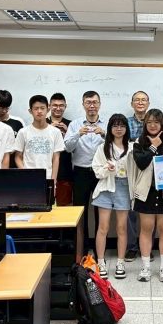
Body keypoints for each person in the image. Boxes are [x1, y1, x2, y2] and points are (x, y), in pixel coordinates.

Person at [129, 109, 163, 282]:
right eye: (149, 122)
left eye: (156, 122)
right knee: (146, 229)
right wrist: (153, 146)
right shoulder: (138, 142)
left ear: (162, 124)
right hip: (146, 193)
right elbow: (141, 163)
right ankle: (145, 268)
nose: (152, 125)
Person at [91, 114, 132, 280]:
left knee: (122, 228)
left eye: (122, 126)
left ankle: (120, 262)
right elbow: (96, 170)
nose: (119, 129)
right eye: (115, 126)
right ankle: (101, 262)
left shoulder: (132, 147)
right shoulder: (103, 147)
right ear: (110, 129)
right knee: (103, 227)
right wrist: (106, 169)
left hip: (124, 187)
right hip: (106, 187)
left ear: (126, 129)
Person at [64, 91, 105, 246]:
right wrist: (77, 134)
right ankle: (82, 248)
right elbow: (67, 148)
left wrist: (104, 134)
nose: (92, 105)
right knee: (80, 212)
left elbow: (115, 146)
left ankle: (99, 250)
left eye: (94, 102)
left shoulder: (107, 124)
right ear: (83, 105)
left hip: (100, 173)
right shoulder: (75, 125)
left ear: (99, 104)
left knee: (101, 211)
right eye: (88, 102)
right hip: (80, 173)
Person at [14, 95, 65, 180]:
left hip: (48, 178)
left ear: (48, 110)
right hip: (28, 179)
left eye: (42, 108)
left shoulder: (55, 132)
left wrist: (53, 180)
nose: (39, 111)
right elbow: (17, 157)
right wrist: (25, 173)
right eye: (36, 108)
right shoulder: (23, 132)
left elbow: (56, 158)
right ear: (30, 111)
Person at [125, 90, 150, 262]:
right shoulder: (125, 123)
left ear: (148, 103)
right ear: (132, 103)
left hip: (150, 170)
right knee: (131, 211)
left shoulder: (154, 121)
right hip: (131, 170)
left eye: (143, 100)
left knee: (149, 211)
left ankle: (147, 247)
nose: (140, 102)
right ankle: (132, 247)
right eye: (137, 100)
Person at [47, 93, 73, 206]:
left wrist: (68, 133)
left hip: (65, 172)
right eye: (55, 105)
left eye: (61, 105)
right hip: (46, 172)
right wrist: (49, 130)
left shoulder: (71, 124)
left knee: (63, 207)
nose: (58, 108)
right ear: (49, 106)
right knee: (45, 206)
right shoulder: (43, 123)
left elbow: (76, 148)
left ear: (65, 106)